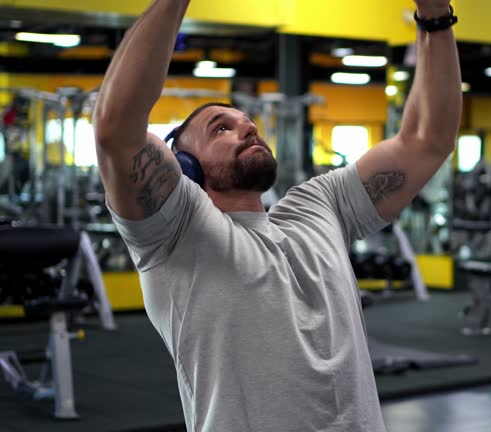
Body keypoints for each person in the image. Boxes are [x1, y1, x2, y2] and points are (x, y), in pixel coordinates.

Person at [92, 0, 461, 430]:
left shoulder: (319, 207)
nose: (247, 128)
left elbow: (427, 139)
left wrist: (435, 16)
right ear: (185, 169)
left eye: (247, 123)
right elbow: (116, 126)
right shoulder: (178, 234)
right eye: (220, 128)